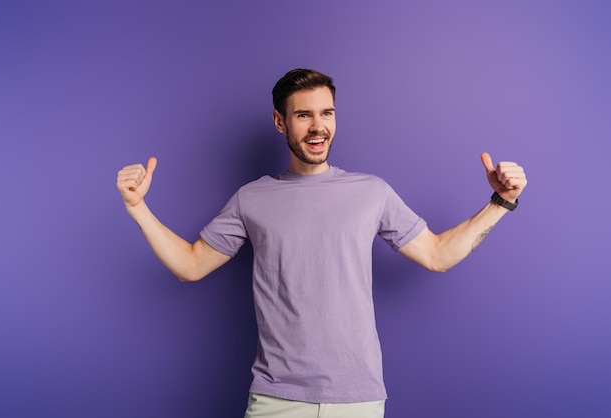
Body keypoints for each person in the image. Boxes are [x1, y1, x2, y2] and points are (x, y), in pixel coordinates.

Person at [116, 68, 527, 418]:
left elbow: (437, 254)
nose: (318, 126)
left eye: (327, 113)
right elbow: (191, 265)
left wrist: (501, 202)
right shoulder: (251, 197)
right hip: (276, 399)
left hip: (358, 400)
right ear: (280, 122)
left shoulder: (372, 191)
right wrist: (139, 209)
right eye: (304, 115)